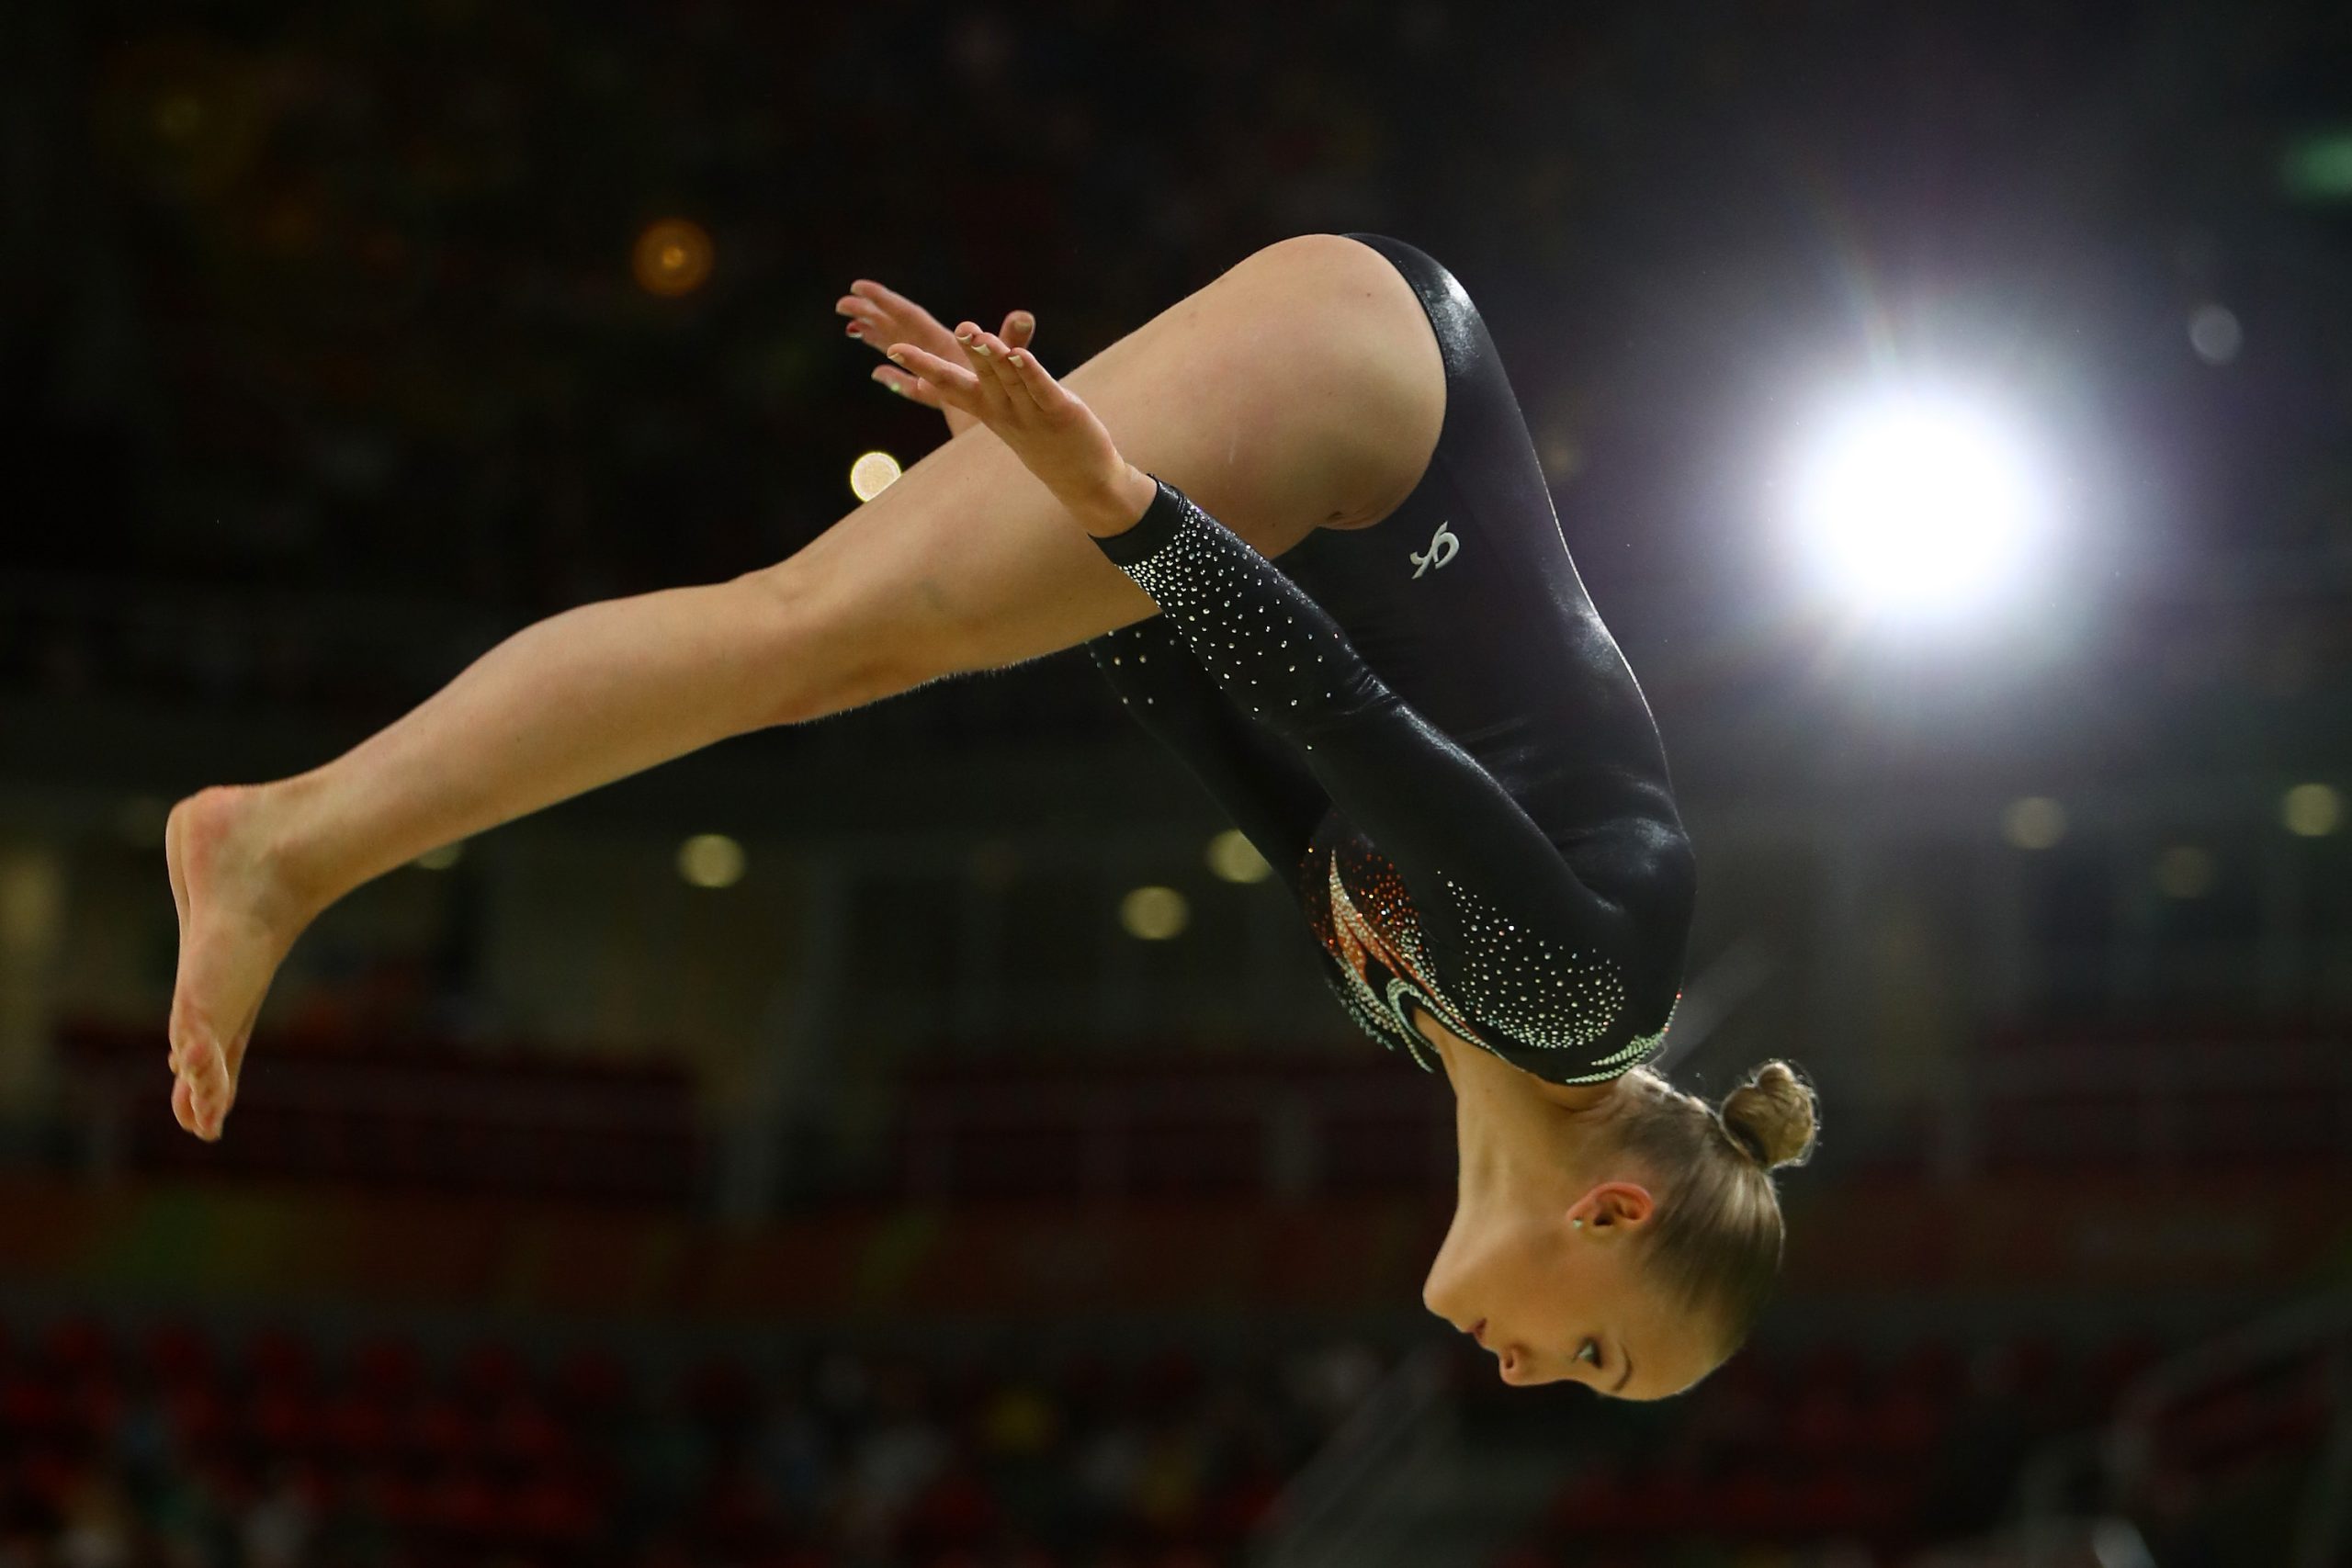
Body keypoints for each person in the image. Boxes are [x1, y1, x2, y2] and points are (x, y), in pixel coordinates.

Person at [163, 232, 1816, 1399]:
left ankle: (292, 845)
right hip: (1381, 418)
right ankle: (284, 846)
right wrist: (1112, 500)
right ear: (1613, 1213)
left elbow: (1221, 739)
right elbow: (1341, 715)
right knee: (803, 637)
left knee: (824, 645)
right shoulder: (1566, 1002)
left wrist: (1072, 523)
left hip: (1355, 442)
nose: (1532, 1375)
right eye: (1597, 1355)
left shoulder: (1430, 1024)